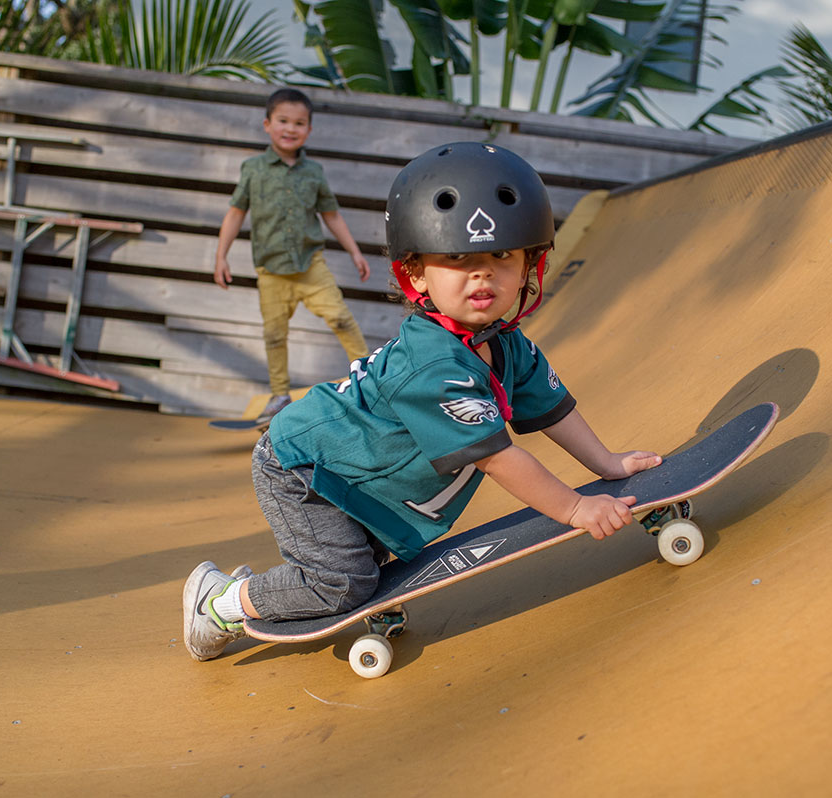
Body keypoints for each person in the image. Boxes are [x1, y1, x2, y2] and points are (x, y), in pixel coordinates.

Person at [185, 141, 662, 661]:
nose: (483, 274)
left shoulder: (504, 344)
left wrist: (607, 463)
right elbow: (496, 457)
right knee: (339, 586)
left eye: (502, 256)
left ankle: (270, 586)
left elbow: (553, 410)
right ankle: (218, 604)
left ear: (530, 264)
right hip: (302, 469)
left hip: (354, 469)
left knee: (359, 571)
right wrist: (573, 507)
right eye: (458, 258)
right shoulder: (434, 365)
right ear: (416, 275)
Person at [214, 87, 371, 425]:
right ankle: (279, 394)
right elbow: (236, 212)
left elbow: (331, 215)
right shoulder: (253, 169)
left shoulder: (314, 173)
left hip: (310, 266)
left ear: (309, 131)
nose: (290, 129)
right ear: (267, 124)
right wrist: (221, 256)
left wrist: (355, 252)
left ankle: (368, 379)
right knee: (274, 335)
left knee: (342, 318)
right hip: (271, 271)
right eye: (283, 121)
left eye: (299, 123)